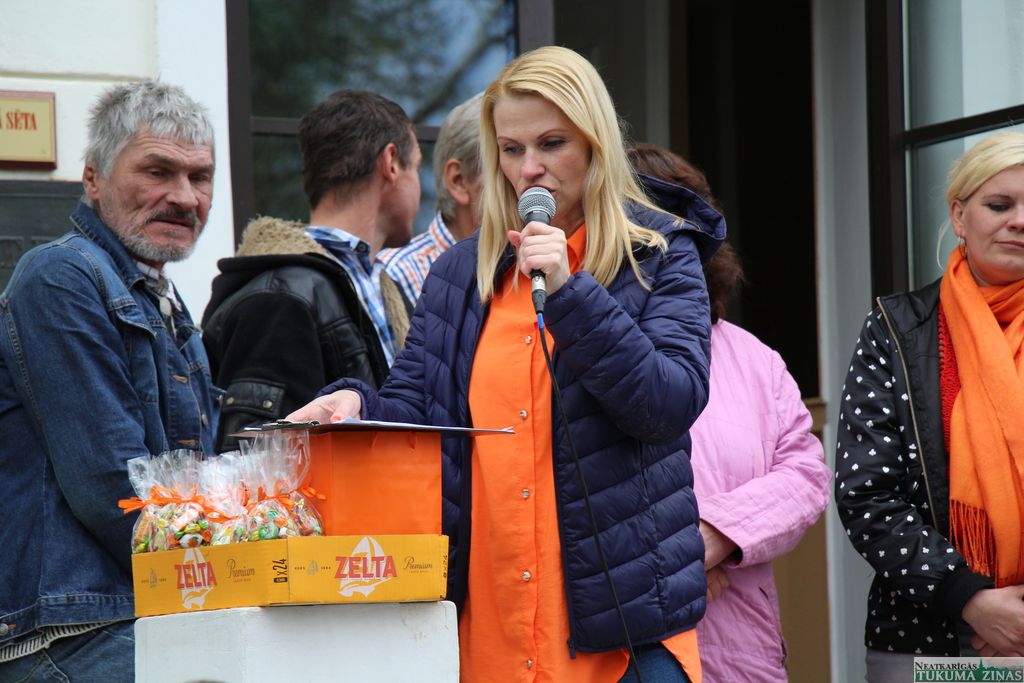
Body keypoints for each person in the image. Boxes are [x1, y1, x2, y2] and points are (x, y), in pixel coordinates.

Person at [289, 45, 725, 682]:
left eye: (552, 144)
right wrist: (357, 402)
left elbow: (668, 404)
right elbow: (418, 408)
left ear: (597, 144)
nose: (530, 168)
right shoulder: (460, 273)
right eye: (511, 149)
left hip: (620, 643)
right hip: (491, 632)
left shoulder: (658, 255)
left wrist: (571, 293)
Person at [0, 81, 221, 680]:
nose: (184, 197)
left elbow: (189, 484)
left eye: (200, 177)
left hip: (140, 614)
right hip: (71, 630)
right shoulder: (59, 276)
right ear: (93, 178)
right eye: (158, 171)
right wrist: (223, 576)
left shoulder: (158, 297)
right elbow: (112, 486)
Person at [629, 143, 832, 682]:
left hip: (740, 653)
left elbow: (806, 476)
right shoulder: (573, 346)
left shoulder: (754, 358)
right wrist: (671, 561)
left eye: (676, 229)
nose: (659, 247)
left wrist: (712, 538)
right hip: (620, 649)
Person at [835, 130, 1024, 681]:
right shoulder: (896, 329)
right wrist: (971, 599)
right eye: (999, 205)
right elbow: (866, 492)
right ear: (959, 216)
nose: (1018, 221)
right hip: (927, 640)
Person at [202, 90, 420, 452]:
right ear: (391, 163)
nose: (420, 187)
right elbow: (259, 464)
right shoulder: (279, 295)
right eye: (417, 167)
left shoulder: (380, 285)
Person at [380, 92, 484, 305]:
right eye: (510, 153)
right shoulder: (395, 276)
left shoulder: (537, 267)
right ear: (459, 181)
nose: (530, 172)